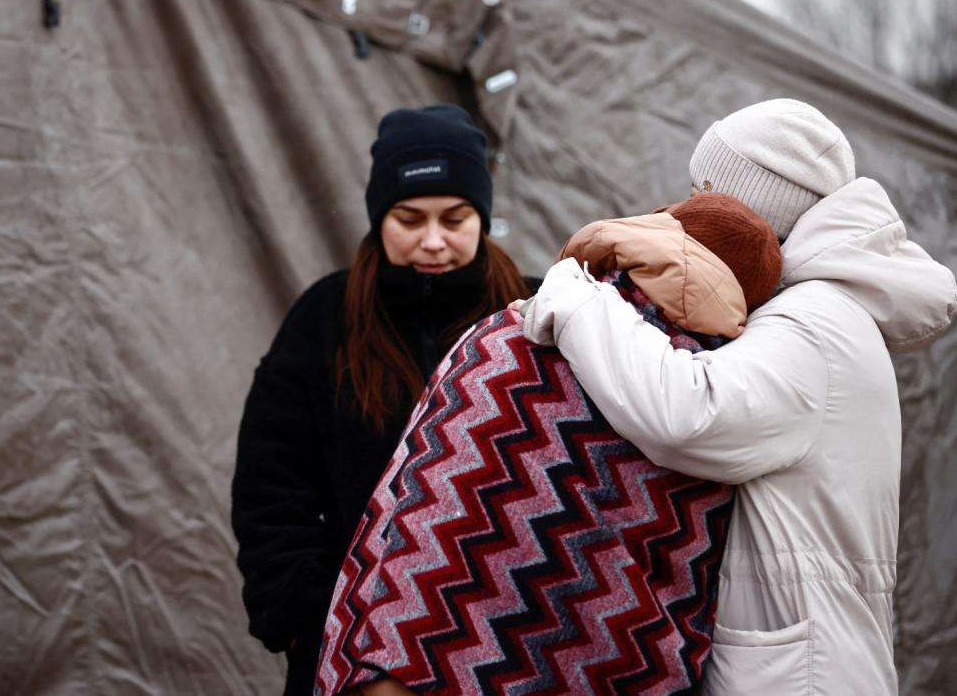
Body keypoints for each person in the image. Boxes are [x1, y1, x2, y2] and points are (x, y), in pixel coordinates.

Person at [519, 98, 957, 695]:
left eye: (702, 193)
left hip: (799, 679)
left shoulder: (814, 323)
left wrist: (576, 298)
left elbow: (688, 415)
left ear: (750, 210)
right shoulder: (815, 312)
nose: (685, 213)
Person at [315, 192, 783, 696]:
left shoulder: (509, 331)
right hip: (614, 663)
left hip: (409, 662)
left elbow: (404, 505)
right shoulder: (733, 408)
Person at [231, 104, 533, 696]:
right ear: (378, 218)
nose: (433, 240)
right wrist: (311, 628)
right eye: (408, 217)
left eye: (455, 217)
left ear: (483, 216)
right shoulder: (325, 319)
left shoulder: (532, 314)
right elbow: (270, 490)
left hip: (509, 647)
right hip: (356, 653)